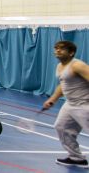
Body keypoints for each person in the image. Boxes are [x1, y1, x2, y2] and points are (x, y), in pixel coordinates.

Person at [43, 40, 89, 168]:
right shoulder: (60, 66)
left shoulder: (77, 66)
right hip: (70, 104)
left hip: (84, 105)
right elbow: (63, 85)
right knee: (61, 127)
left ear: (71, 53)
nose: (57, 51)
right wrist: (53, 99)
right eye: (56, 48)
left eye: (61, 49)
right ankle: (76, 158)